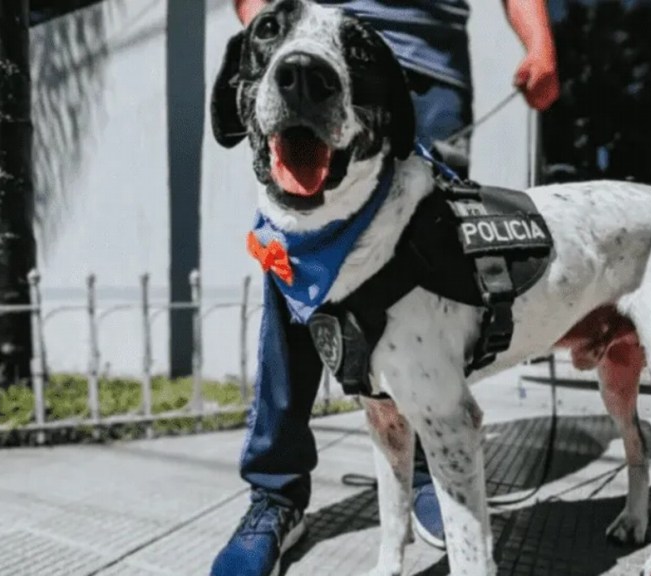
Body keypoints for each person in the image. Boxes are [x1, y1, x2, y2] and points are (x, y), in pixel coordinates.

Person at [211, 1, 559, 574]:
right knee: (300, 281)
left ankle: (429, 470)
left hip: (427, 75)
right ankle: (275, 494)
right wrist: (271, 26)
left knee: (428, 283)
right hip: (307, 47)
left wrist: (540, 43)